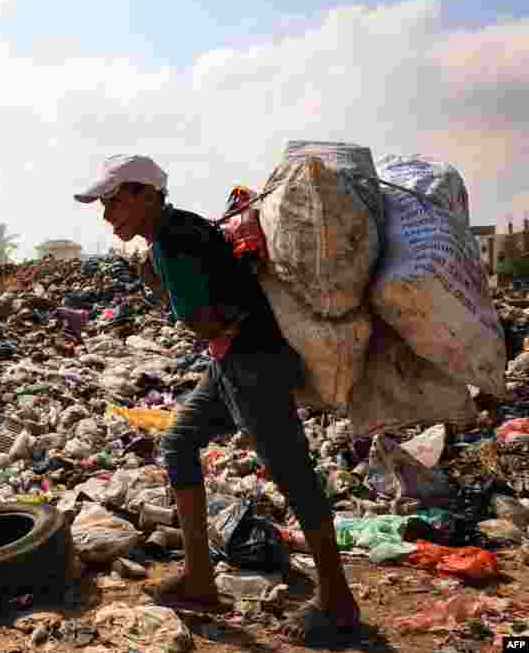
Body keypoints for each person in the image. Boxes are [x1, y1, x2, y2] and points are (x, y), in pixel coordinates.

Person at [74, 154, 361, 646]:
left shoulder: (172, 241)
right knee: (179, 441)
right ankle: (201, 578)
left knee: (290, 470)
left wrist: (169, 294)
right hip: (233, 356)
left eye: (114, 202)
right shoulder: (184, 228)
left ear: (144, 194)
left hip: (251, 362)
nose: (107, 216)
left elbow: (203, 320)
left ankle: (338, 600)